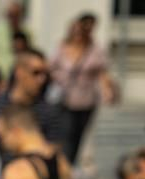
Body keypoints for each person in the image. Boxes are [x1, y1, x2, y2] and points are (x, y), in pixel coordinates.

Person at [49, 12, 115, 166]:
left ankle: (70, 164)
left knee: (79, 134)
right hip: (65, 98)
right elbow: (50, 67)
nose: (78, 36)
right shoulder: (62, 47)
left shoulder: (94, 49)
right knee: (67, 132)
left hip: (86, 99)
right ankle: (64, 163)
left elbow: (102, 72)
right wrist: (58, 79)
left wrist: (107, 90)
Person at [0, 47, 69, 150]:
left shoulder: (49, 113)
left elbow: (52, 151)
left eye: (45, 74)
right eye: (36, 73)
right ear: (19, 72)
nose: (41, 79)